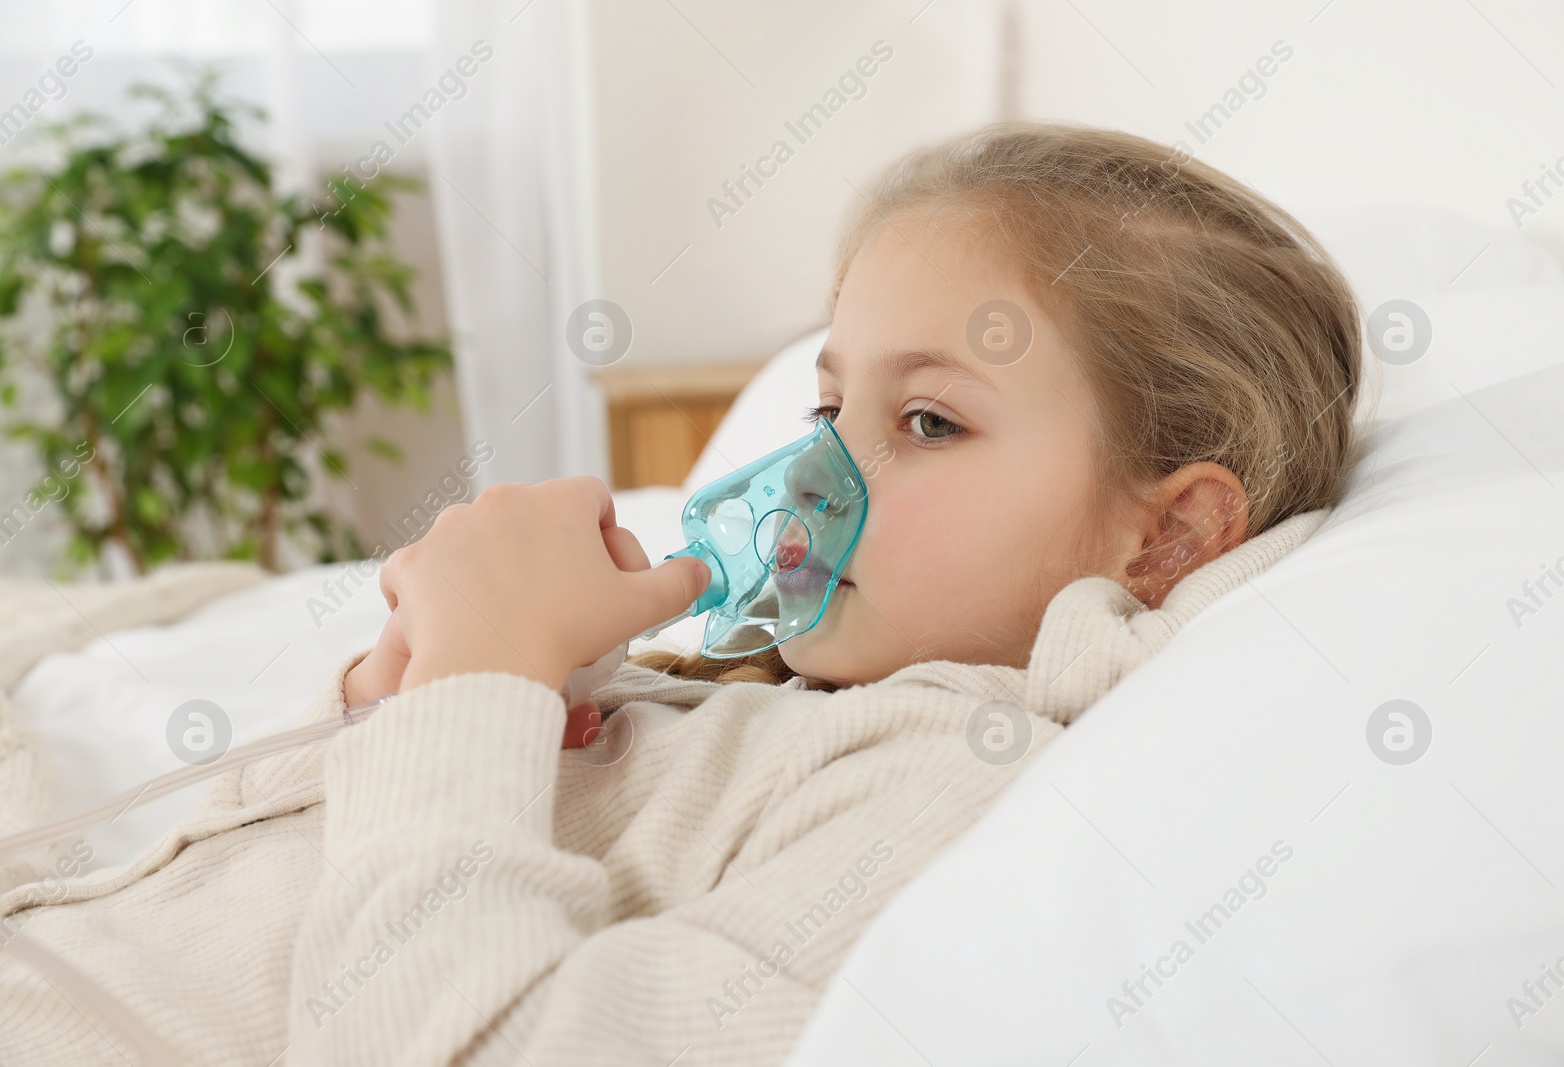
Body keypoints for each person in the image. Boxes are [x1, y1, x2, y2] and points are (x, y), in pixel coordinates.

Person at [0, 122, 1362, 1065]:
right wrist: (404, 697)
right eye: (828, 402)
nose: (814, 468)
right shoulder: (753, 694)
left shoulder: (934, 785)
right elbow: (257, 874)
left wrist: (482, 687)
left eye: (930, 422)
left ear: (1169, 539)